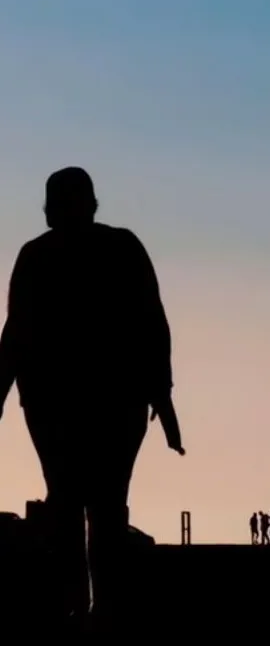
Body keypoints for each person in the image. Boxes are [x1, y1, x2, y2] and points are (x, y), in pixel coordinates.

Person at [0, 167, 183, 617]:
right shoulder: (122, 248)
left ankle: (82, 605)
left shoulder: (37, 257)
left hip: (64, 404)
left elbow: (14, 336)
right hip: (104, 404)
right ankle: (100, 605)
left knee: (72, 502)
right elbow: (153, 328)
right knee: (102, 506)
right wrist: (163, 398)